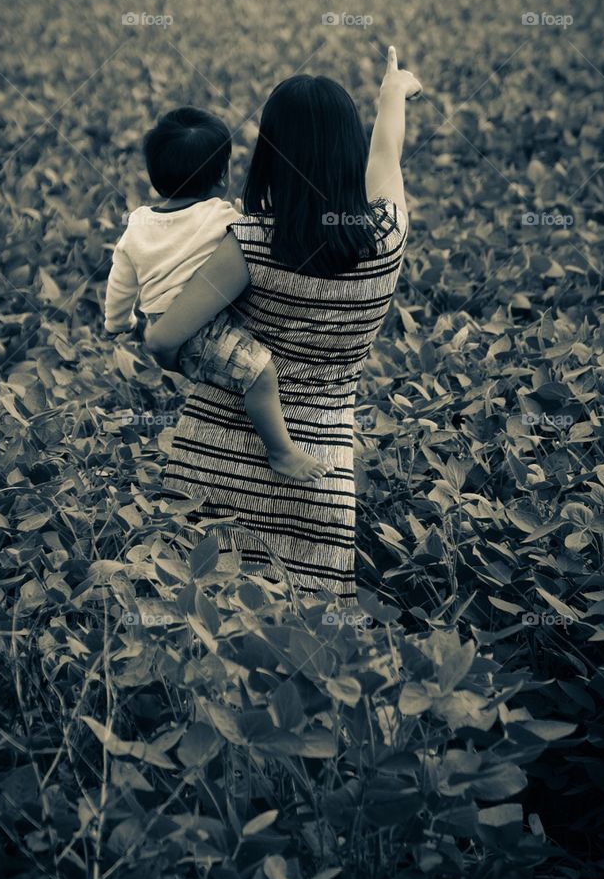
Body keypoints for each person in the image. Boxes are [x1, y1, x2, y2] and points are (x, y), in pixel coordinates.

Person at [145, 46, 421, 604]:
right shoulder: (387, 240)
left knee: (196, 643)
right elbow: (386, 156)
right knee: (309, 652)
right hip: (318, 476)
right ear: (348, 150)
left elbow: (165, 338)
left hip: (210, 474)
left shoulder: (248, 243)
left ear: (268, 153)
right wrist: (393, 94)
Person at [104, 106, 328, 481]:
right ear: (222, 176)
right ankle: (281, 451)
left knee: (239, 370)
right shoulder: (220, 217)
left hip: (163, 321)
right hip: (200, 331)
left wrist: (119, 321)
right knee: (261, 373)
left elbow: (120, 281)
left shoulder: (139, 224)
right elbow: (251, 239)